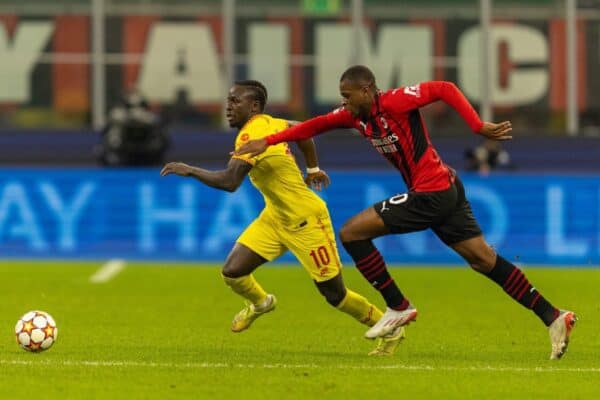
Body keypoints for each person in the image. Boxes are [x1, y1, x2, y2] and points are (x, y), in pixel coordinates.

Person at [234, 66, 576, 360]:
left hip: (432, 192)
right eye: (342, 96)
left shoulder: (397, 101)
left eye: (348, 94)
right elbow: (313, 126)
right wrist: (270, 140)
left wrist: (476, 125)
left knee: (352, 232)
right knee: (483, 260)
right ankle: (553, 316)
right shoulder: (354, 115)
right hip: (445, 189)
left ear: (367, 90)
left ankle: (398, 305)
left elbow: (444, 88)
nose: (344, 101)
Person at [161, 80, 405, 356]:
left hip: (306, 221)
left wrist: (189, 169)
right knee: (233, 271)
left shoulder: (250, 135)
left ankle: (391, 327)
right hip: (276, 216)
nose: (228, 107)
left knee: (335, 295)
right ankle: (262, 303)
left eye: (234, 102)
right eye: (228, 101)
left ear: (254, 106)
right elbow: (302, 131)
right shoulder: (273, 123)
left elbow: (230, 182)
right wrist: (312, 168)